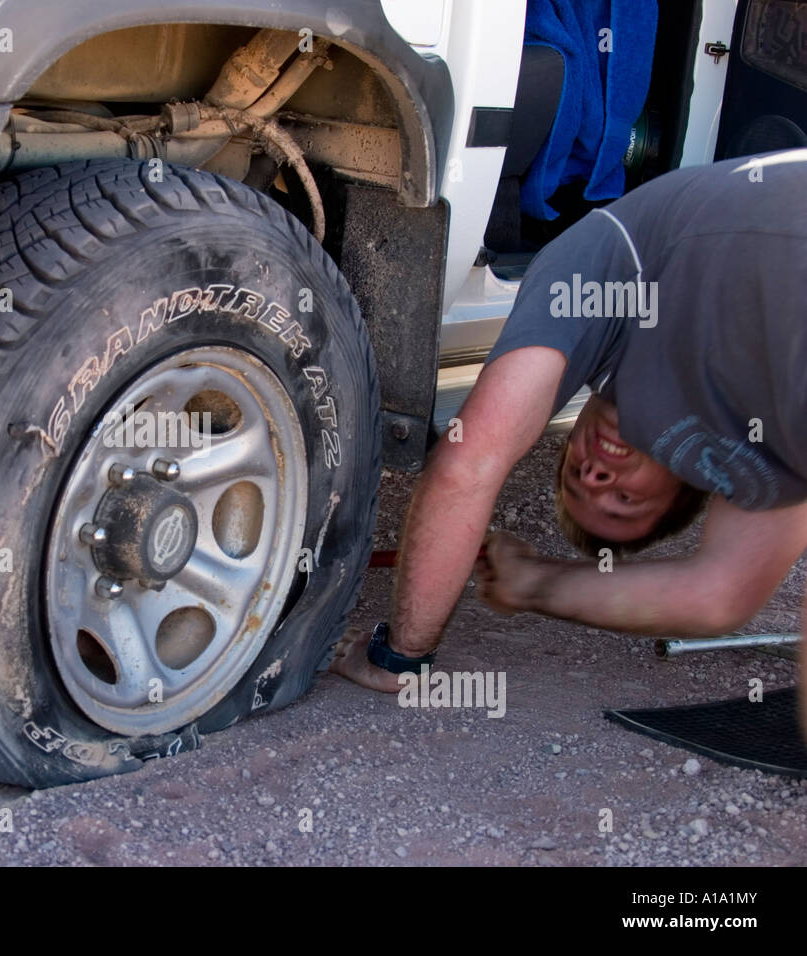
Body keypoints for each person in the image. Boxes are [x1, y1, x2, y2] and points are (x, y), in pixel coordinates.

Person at [330, 150, 807, 737]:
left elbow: (471, 460)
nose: (597, 475)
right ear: (696, 479)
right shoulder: (764, 452)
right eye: (625, 499)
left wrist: (401, 658)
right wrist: (533, 583)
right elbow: (721, 595)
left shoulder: (608, 255)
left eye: (576, 477)